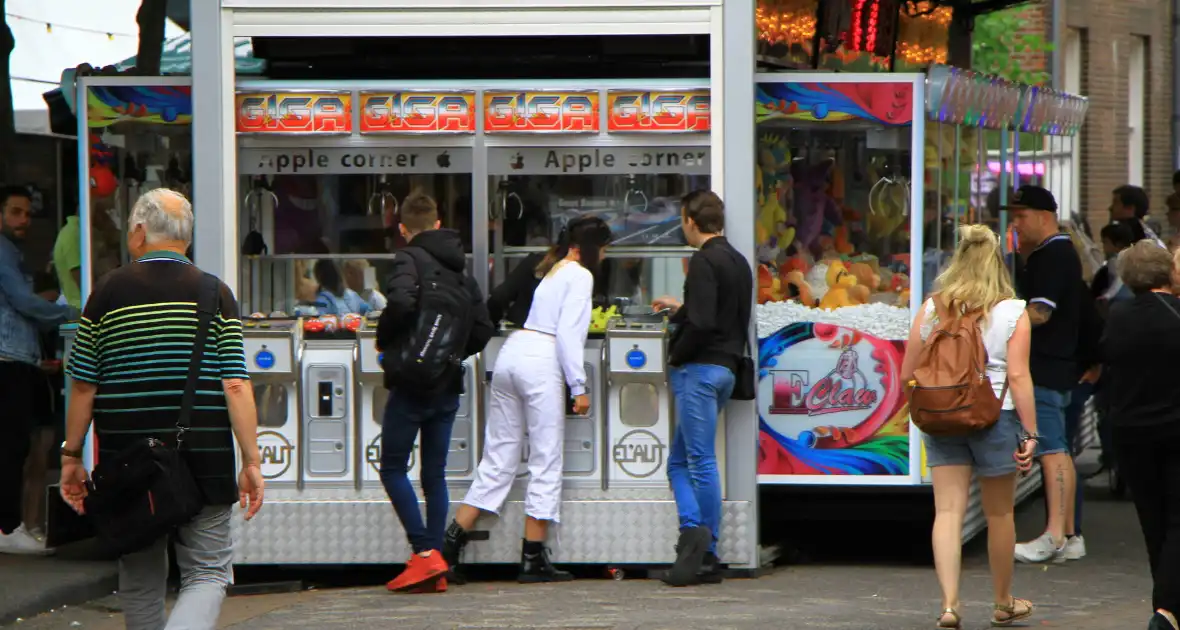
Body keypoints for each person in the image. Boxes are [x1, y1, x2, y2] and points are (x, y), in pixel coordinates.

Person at [58, 188, 264, 629]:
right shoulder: (214, 293)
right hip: (203, 454)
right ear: (186, 239)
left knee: (139, 574)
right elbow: (236, 385)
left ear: (138, 233)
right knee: (207, 571)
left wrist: (71, 455)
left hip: (127, 459)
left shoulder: (106, 294)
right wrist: (251, 460)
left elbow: (82, 387)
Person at [446, 215, 613, 583]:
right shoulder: (580, 275)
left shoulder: (550, 267)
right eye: (601, 248)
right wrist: (579, 387)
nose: (602, 255)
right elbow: (570, 336)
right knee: (545, 459)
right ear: (588, 247)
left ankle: (449, 547)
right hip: (542, 361)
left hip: (512, 353)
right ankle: (533, 557)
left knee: (499, 456)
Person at [900, 225, 1038, 629]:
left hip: (941, 417)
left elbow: (909, 372)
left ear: (956, 259)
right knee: (999, 514)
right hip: (997, 416)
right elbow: (1019, 376)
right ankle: (1002, 601)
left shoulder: (932, 308)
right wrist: (1030, 433)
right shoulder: (1013, 311)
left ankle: (949, 605)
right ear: (997, 261)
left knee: (946, 511)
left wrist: (926, 410)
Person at [374, 193, 493, 594]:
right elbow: (483, 328)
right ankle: (436, 559)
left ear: (403, 228)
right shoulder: (461, 269)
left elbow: (401, 302)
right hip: (447, 383)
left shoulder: (409, 258)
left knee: (392, 466)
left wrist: (386, 341)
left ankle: (425, 554)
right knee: (434, 473)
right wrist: (450, 354)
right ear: (439, 223)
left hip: (410, 382)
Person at [649, 190, 752, 587]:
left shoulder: (703, 260)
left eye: (681, 220)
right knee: (679, 462)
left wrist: (676, 354)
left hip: (700, 370)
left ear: (691, 221)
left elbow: (705, 323)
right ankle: (696, 538)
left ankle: (703, 548)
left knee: (699, 461)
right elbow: (723, 315)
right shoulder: (738, 261)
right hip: (727, 368)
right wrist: (682, 310)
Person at [1099, 240, 1180, 630]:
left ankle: (1164, 605)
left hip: (1130, 431)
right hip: (1175, 429)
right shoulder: (1176, 315)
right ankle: (1166, 610)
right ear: (1169, 272)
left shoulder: (1118, 315)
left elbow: (1107, 359)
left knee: (1152, 519)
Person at [1004, 186, 1083, 564]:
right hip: (1058, 363)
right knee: (1061, 450)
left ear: (1043, 216)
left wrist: (999, 324)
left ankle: (1053, 535)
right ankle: (1068, 534)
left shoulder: (1053, 256)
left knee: (1050, 450)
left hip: (1046, 365)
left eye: (1020, 216)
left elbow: (1040, 313)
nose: (1014, 223)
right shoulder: (1049, 254)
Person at [0, 185, 75, 554]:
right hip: (8, 359)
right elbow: (22, 301)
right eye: (15, 212)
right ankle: (7, 527)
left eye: (26, 213)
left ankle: (10, 525)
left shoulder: (10, 253)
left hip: (16, 355)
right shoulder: (2, 252)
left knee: (17, 445)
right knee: (13, 445)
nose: (23, 220)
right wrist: (71, 313)